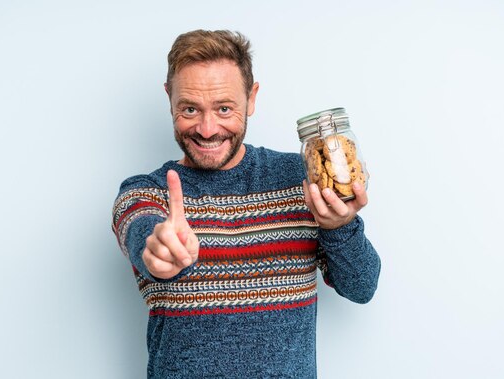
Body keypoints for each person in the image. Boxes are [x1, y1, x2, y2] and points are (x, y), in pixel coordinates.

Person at [112, 29, 381, 378]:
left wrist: (339, 226)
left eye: (224, 108)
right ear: (169, 98)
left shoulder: (304, 179)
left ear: (251, 98)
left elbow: (362, 287)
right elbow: (142, 234)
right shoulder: (145, 193)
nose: (208, 129)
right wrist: (159, 249)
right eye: (190, 109)